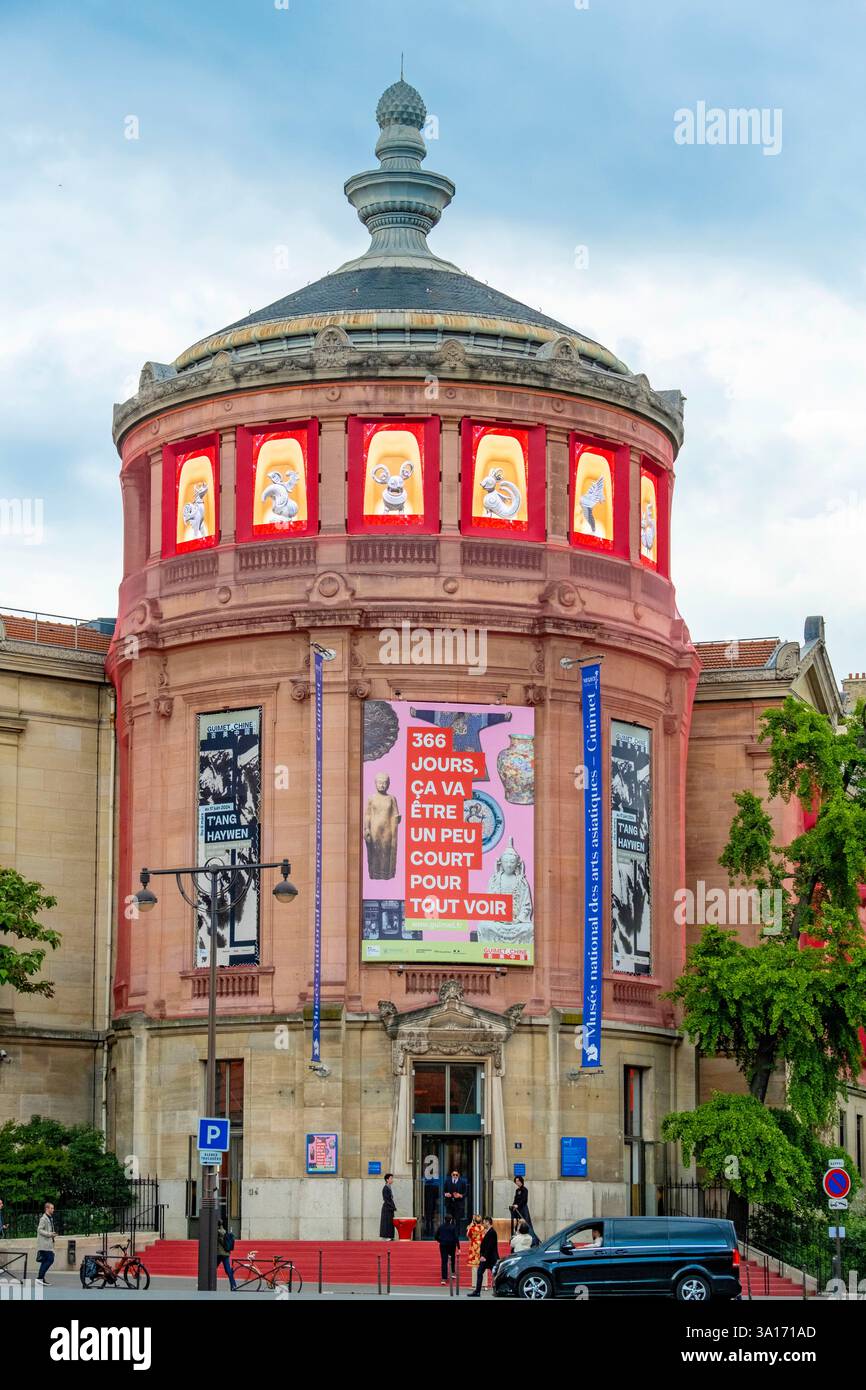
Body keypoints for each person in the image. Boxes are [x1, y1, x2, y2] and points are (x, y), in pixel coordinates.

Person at [467, 1216, 498, 1297]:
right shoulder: (486, 1230)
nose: (483, 1223)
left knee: (494, 1274)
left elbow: (490, 1246)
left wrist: (484, 1256)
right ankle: (477, 1291)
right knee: (480, 1272)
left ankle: (497, 1289)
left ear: (488, 1222)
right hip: (486, 1256)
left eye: (484, 1222)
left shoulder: (492, 1232)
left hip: (489, 1257)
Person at [509, 1175, 538, 1244]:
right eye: (516, 1181)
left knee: (527, 1223)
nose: (517, 1183)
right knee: (518, 1224)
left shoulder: (525, 1190)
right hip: (517, 1209)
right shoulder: (517, 1190)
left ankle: (534, 1241)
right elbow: (515, 1199)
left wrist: (518, 1205)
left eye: (518, 1181)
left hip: (523, 1209)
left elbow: (524, 1200)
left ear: (521, 1181)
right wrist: (514, 1205)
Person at [435, 1214, 459, 1285]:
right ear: (451, 1220)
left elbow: (436, 1236)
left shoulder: (441, 1227)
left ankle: (444, 1278)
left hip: (443, 1245)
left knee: (444, 1261)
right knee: (452, 1259)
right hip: (452, 1245)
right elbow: (456, 1237)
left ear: (444, 1220)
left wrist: (440, 1241)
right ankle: (453, 1273)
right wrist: (458, 1247)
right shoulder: (453, 1227)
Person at [36, 1201, 56, 1284]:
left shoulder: (49, 1218)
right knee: (50, 1259)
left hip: (48, 1243)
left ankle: (40, 1278)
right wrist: (50, 1234)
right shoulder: (43, 1218)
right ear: (47, 1208)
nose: (53, 1210)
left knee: (45, 1261)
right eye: (51, 1208)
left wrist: (52, 1234)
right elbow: (39, 1230)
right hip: (44, 1244)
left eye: (53, 1208)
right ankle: (40, 1278)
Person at [443, 1170, 467, 1237]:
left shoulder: (462, 1182)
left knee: (457, 1219)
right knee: (449, 1219)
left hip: (458, 1204)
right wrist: (446, 1194)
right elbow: (444, 1191)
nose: (455, 1176)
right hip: (449, 1203)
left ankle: (457, 1234)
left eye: (456, 1175)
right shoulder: (447, 1181)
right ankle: (449, 1233)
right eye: (454, 1174)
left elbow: (465, 1193)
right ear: (451, 1175)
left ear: (458, 1175)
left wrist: (460, 1195)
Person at [217, 1219, 237, 1291]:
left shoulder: (217, 1232)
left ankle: (206, 1283)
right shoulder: (224, 1231)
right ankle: (234, 1285)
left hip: (219, 1254)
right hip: (226, 1254)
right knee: (228, 1271)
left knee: (212, 1269)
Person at [466, 1213, 483, 1281]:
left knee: (474, 1266)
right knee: (482, 1265)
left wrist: (470, 1226)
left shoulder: (472, 1229)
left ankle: (474, 1284)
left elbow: (468, 1235)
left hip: (474, 1246)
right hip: (482, 1246)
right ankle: (484, 1285)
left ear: (475, 1221)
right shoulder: (483, 1228)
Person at [379, 1173, 396, 1240]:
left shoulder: (389, 1187)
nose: (392, 1180)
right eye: (391, 1178)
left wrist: (393, 1206)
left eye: (392, 1178)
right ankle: (385, 1236)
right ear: (387, 1179)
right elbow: (387, 1199)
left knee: (390, 1223)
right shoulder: (385, 1188)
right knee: (386, 1222)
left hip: (390, 1208)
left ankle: (390, 1236)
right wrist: (392, 1206)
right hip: (387, 1208)